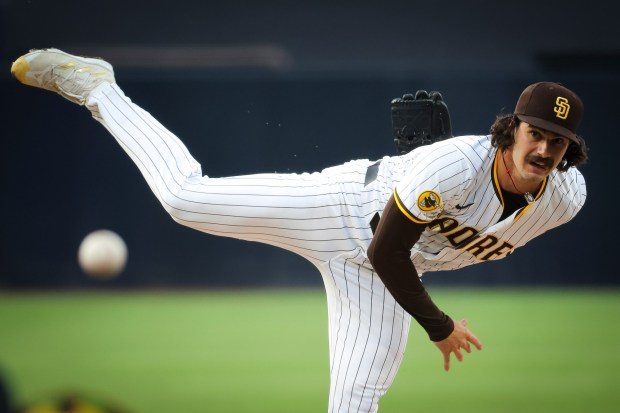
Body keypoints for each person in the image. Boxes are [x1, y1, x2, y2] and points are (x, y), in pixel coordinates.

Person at [10, 48, 588, 413]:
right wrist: (438, 326)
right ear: (510, 130)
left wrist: (420, 180)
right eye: (534, 133)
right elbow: (387, 248)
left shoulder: (564, 198)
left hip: (389, 270)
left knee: (356, 401)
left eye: (556, 142)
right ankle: (98, 88)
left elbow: (408, 249)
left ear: (567, 152)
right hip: (338, 212)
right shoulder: (458, 165)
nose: (543, 148)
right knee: (185, 199)